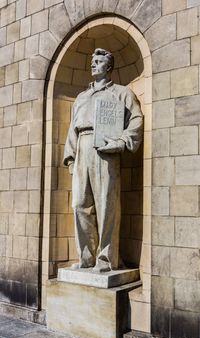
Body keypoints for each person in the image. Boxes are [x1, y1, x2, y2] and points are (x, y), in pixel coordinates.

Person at [64, 48, 143, 272]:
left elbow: (136, 120)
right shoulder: (81, 97)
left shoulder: (122, 93)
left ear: (108, 67)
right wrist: (70, 157)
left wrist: (121, 142)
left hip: (106, 151)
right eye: (92, 61)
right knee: (80, 205)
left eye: (98, 61)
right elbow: (72, 129)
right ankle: (86, 257)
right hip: (82, 147)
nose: (93, 65)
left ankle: (106, 259)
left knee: (106, 205)